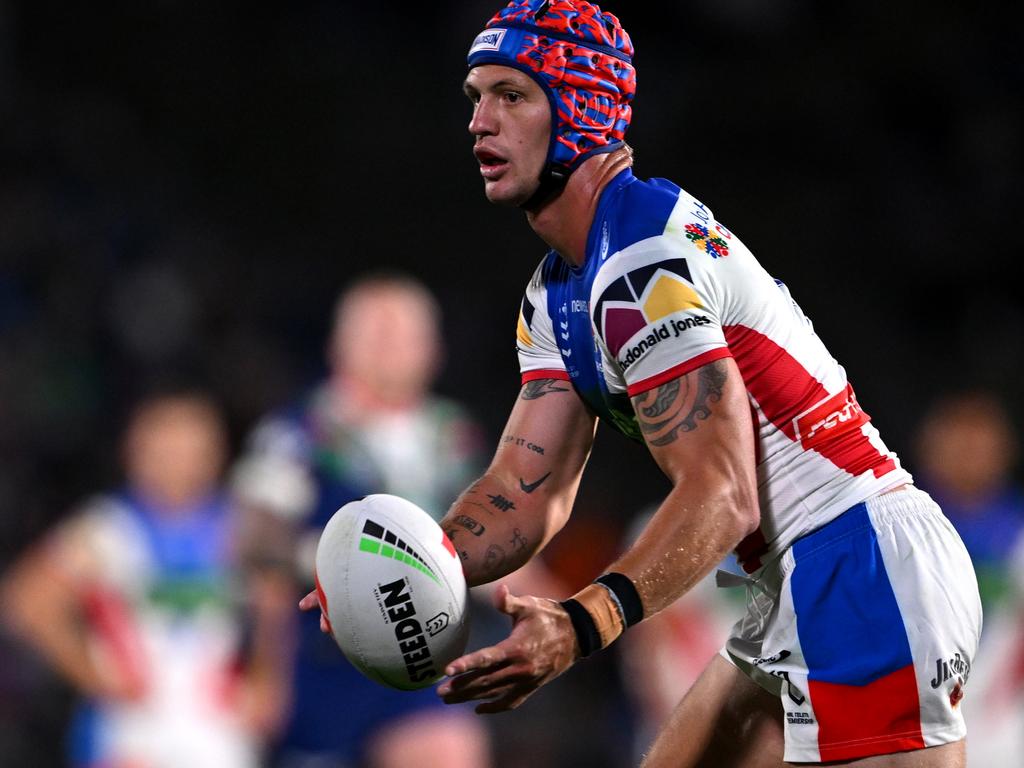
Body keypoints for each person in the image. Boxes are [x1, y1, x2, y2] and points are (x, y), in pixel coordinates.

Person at [299, 2, 983, 765]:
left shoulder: (641, 259)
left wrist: (583, 623)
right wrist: (400, 569)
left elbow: (722, 496)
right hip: (803, 580)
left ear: (582, 106)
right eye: (475, 98)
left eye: (510, 95)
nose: (479, 122)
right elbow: (525, 490)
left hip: (862, 569)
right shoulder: (559, 291)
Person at [233, 273, 492, 768]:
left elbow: (491, 544)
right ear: (338, 346)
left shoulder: (452, 438)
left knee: (448, 751)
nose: (389, 348)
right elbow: (256, 552)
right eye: (375, 334)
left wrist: (561, 609)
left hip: (420, 655)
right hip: (321, 660)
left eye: (402, 335)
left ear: (432, 349)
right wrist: (267, 669)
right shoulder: (296, 434)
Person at [0, 389, 260, 768]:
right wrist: (91, 672)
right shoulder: (106, 530)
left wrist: (268, 682)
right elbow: (25, 601)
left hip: (218, 731)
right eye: (165, 449)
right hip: (132, 735)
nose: (178, 464)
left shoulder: (240, 528)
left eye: (190, 449)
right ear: (136, 451)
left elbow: (278, 602)